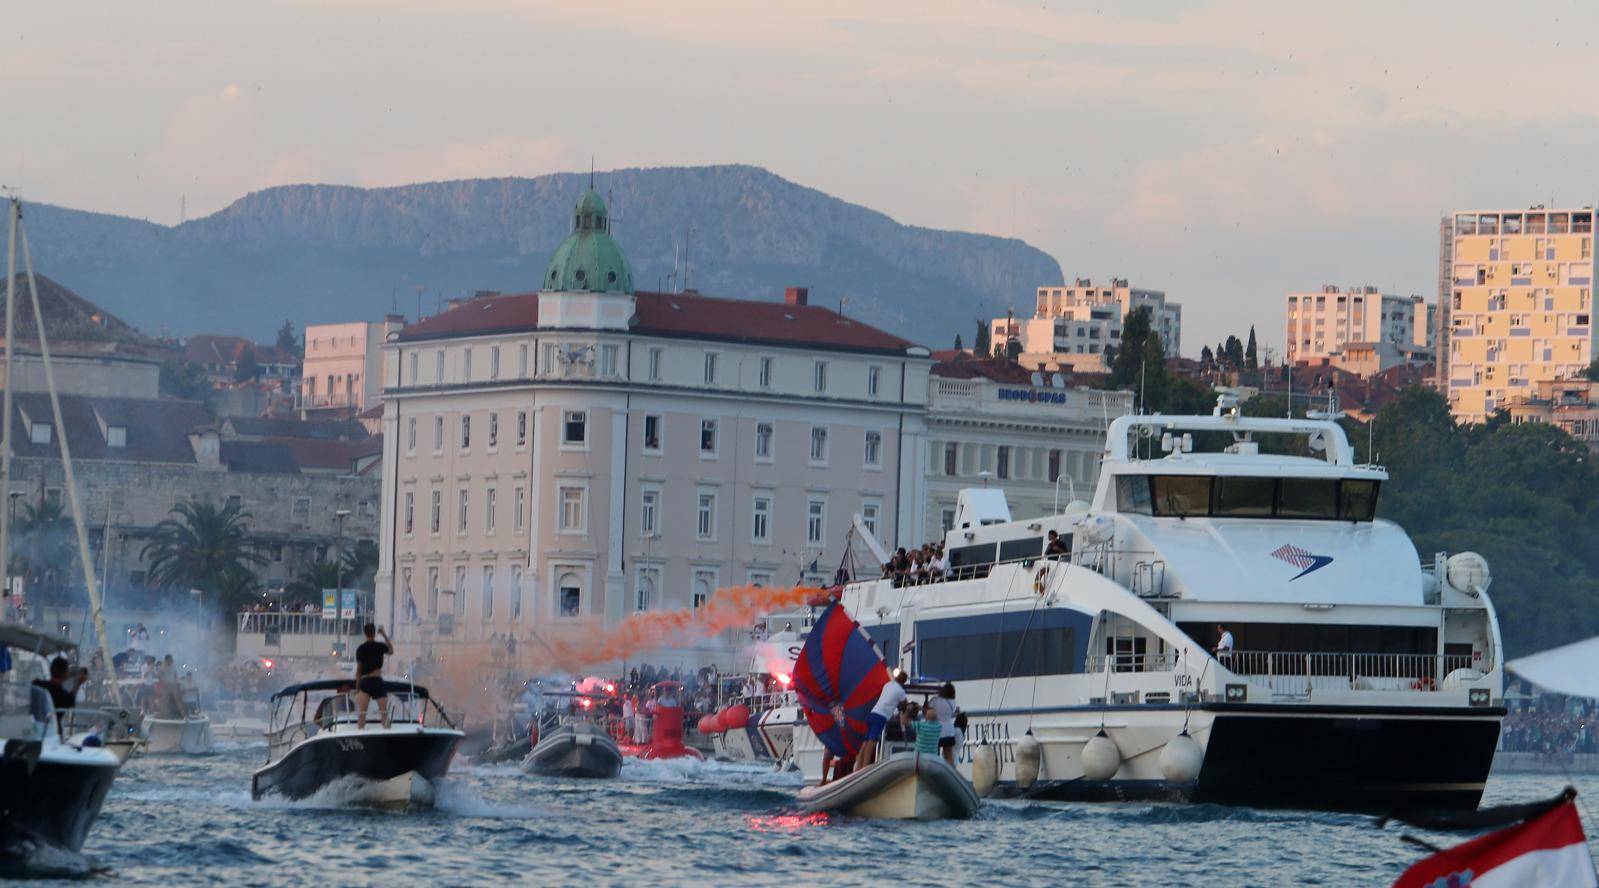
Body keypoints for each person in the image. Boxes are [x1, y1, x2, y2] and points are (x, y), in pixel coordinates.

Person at [858, 670, 909, 766]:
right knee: (871, 743)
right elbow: (905, 704)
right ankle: (864, 767)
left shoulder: (888, 685)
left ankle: (857, 767)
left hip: (873, 713)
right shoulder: (901, 691)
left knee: (865, 742)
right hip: (881, 716)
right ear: (904, 682)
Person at [353, 622, 394, 729]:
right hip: (377, 681)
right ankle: (387, 733)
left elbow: (359, 670)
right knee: (384, 713)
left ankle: (360, 733)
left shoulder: (360, 649)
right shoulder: (380, 646)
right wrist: (384, 634)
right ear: (375, 633)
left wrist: (357, 687)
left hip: (365, 682)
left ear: (365, 633)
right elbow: (391, 651)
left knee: (362, 714)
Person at [32, 656, 77, 738]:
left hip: (34, 730)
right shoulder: (66, 697)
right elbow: (71, 699)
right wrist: (78, 683)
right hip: (53, 733)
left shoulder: (37, 684)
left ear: (50, 670)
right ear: (65, 674)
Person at [928, 682, 958, 764]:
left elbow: (928, 710)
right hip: (949, 731)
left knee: (935, 754)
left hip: (937, 731)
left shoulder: (934, 700)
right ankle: (950, 771)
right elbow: (954, 711)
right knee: (948, 754)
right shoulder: (952, 702)